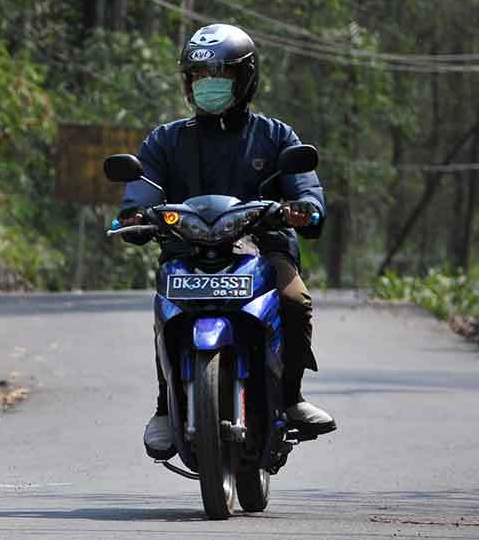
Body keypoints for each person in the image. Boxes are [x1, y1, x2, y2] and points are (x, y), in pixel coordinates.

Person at [119, 23, 337, 459]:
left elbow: (305, 188)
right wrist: (133, 213)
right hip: (187, 252)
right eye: (198, 77)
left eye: (218, 76)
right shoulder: (166, 140)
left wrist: (304, 207)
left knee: (295, 302)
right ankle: (166, 407)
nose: (207, 85)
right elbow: (141, 189)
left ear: (245, 79)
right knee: (168, 310)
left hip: (263, 249)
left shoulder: (276, 136)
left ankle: (290, 396)